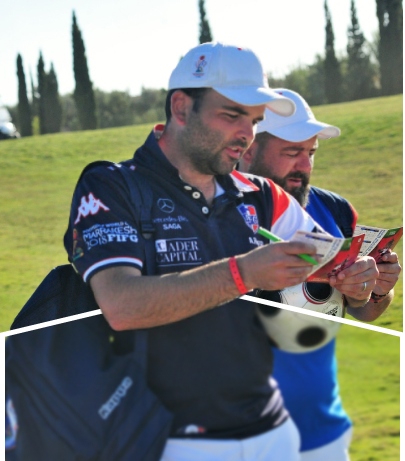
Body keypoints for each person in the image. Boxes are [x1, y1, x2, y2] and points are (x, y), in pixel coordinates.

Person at [63, 42, 378, 461]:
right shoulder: (112, 186)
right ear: (180, 108)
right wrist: (244, 273)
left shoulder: (261, 193)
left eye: (254, 120)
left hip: (275, 434)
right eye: (231, 115)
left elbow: (330, 261)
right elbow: (122, 305)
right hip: (168, 441)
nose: (246, 135)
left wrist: (357, 277)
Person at [238, 88, 401, 461]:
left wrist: (370, 291)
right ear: (248, 149)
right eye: (292, 152)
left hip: (320, 432)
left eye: (311, 152)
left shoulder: (335, 210)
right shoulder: (210, 214)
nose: (305, 166)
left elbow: (361, 310)